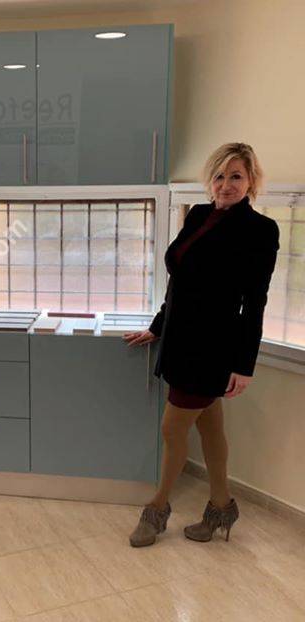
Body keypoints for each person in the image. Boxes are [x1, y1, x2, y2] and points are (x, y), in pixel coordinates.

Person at [124, 143, 279, 547]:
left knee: (172, 428)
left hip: (212, 348)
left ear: (251, 181)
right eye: (219, 176)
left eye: (236, 176)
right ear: (210, 181)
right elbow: (179, 280)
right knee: (211, 427)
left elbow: (255, 303)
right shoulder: (197, 215)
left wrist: (244, 364)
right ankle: (221, 508)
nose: (226, 184)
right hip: (180, 340)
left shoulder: (261, 230)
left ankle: (157, 510)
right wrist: (159, 325)